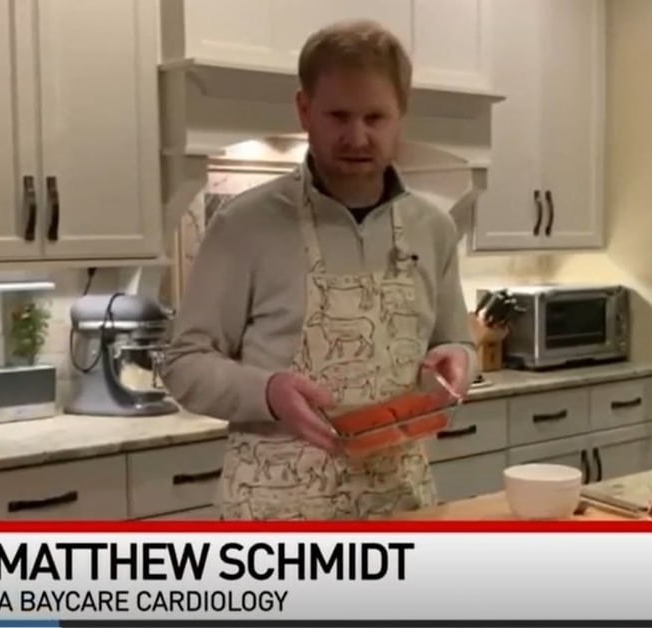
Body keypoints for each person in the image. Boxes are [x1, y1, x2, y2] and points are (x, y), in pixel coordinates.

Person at [162, 19, 477, 521]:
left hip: (398, 507)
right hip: (277, 519)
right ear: (304, 110)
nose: (357, 136)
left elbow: (456, 342)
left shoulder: (432, 228)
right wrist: (267, 392)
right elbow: (183, 363)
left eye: (376, 117)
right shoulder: (244, 226)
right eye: (338, 116)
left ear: (401, 116)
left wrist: (459, 362)